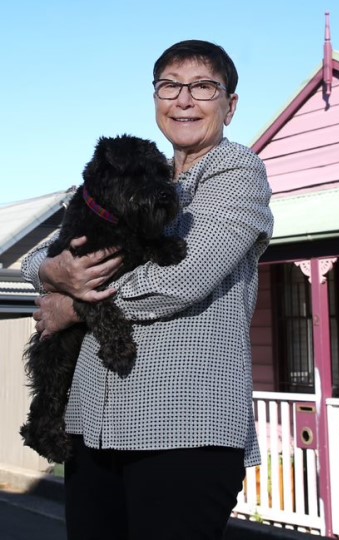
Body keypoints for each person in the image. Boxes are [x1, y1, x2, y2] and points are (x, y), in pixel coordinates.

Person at [21, 39, 273, 540]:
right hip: (94, 425)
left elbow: (180, 278)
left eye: (203, 86)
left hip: (183, 431)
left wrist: (72, 305)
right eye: (169, 86)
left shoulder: (235, 171)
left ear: (231, 104)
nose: (184, 99)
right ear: (155, 97)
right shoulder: (139, 176)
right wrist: (53, 274)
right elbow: (38, 257)